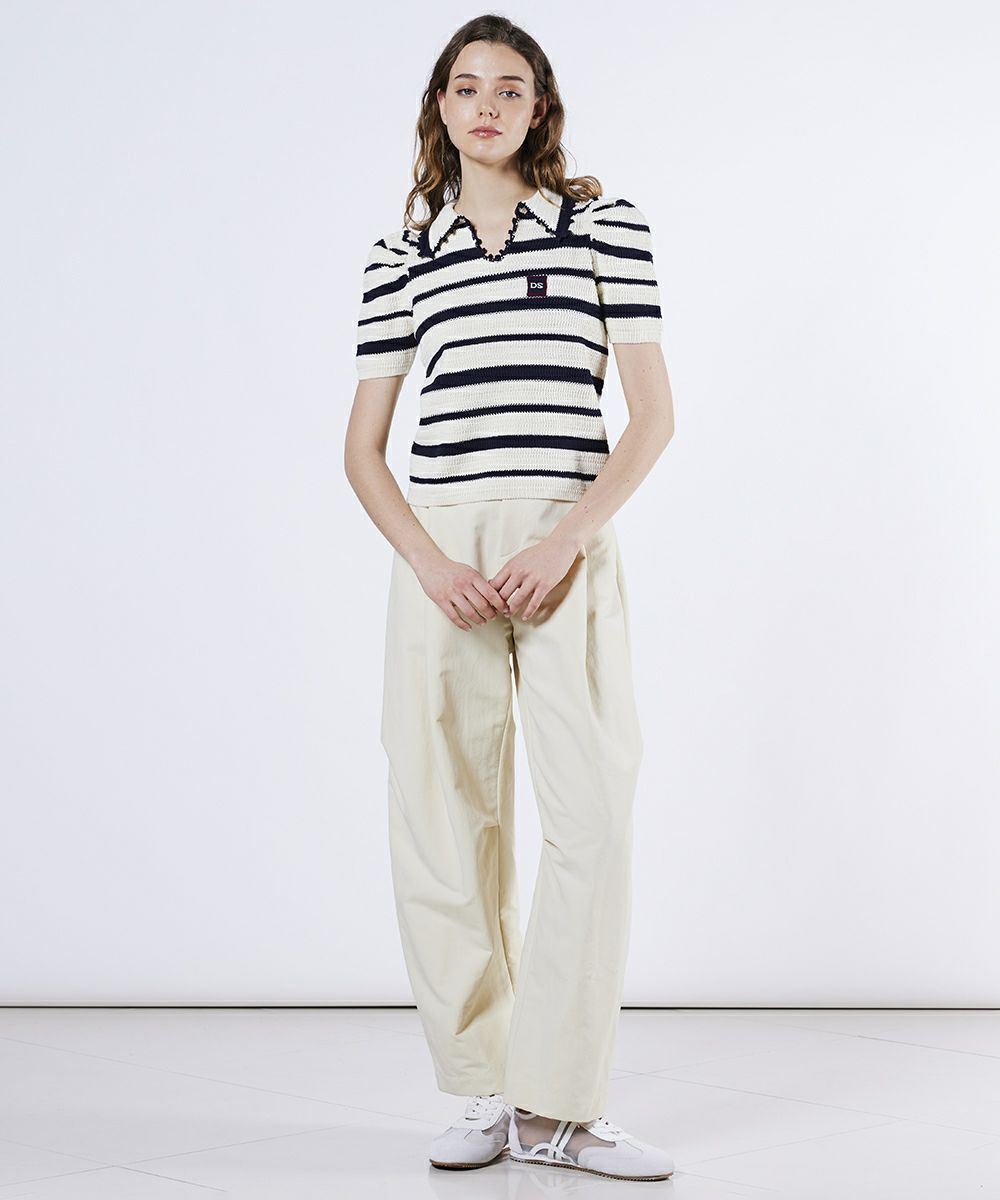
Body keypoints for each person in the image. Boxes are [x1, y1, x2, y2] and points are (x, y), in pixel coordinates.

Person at [345, 13, 676, 1183]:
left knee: (591, 817)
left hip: (563, 541)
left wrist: (566, 538)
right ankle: (487, 1090)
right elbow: (363, 451)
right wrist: (431, 563)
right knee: (443, 824)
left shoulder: (603, 226)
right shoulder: (399, 255)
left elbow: (651, 418)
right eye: (465, 86)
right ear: (439, 107)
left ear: (539, 109)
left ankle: (561, 1107)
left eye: (510, 88)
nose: (486, 105)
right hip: (440, 549)